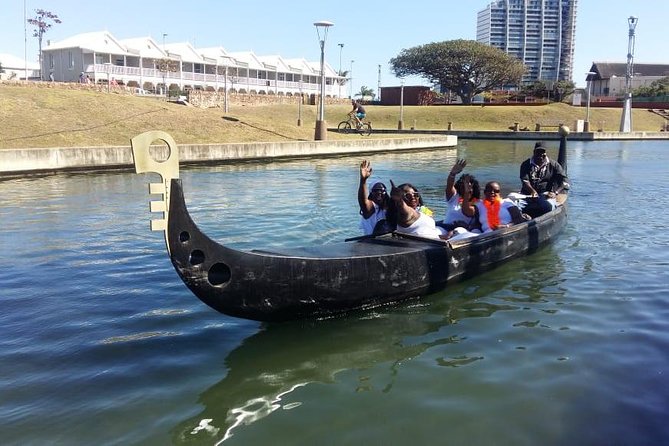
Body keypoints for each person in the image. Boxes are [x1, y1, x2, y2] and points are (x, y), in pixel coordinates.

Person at [519, 142, 568, 218]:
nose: (540, 155)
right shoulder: (526, 164)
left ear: (546, 153)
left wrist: (555, 192)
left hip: (545, 195)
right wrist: (532, 191)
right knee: (515, 206)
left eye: (543, 152)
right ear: (534, 152)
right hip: (527, 195)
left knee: (549, 206)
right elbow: (525, 181)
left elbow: (564, 181)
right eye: (538, 152)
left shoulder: (554, 165)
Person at [441, 159, 483, 233]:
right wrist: (452, 174)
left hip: (463, 231)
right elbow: (449, 186)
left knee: (458, 231)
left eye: (469, 187)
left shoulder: (479, 203)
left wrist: (467, 193)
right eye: (464, 186)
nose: (466, 188)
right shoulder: (454, 197)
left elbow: (467, 211)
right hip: (445, 228)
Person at [358, 160, 391, 235]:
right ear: (371, 193)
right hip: (372, 243)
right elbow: (363, 202)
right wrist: (363, 180)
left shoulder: (389, 207)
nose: (379, 193)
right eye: (376, 190)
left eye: (382, 190)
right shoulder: (370, 208)